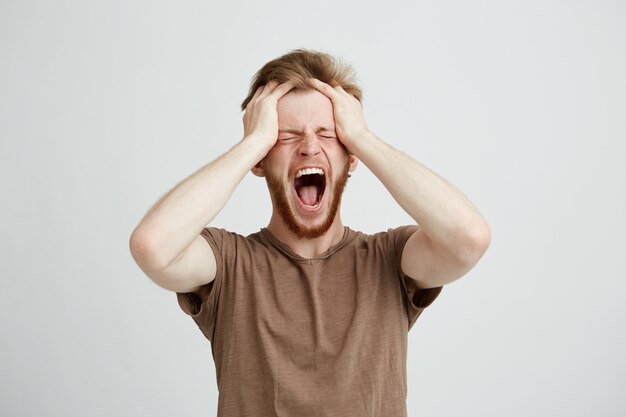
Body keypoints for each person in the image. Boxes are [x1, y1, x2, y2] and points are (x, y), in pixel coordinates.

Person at [129, 48, 491, 417]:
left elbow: (468, 239)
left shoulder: (389, 259)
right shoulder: (229, 264)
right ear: (261, 161)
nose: (309, 148)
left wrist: (362, 138)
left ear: (350, 158)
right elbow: (153, 246)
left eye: (328, 134)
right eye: (285, 136)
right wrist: (252, 143)